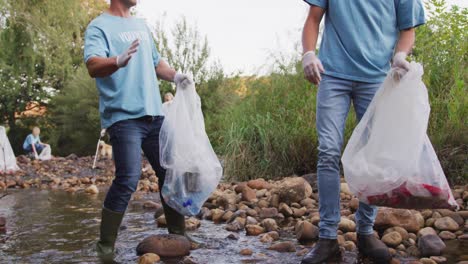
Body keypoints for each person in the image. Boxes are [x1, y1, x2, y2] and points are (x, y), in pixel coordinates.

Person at [300, 1, 425, 263]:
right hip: (332, 76)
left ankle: (366, 232)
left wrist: (400, 56)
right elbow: (313, 18)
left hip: (377, 77)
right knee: (328, 151)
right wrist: (308, 53)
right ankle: (327, 238)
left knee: (373, 154)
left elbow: (408, 29)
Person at [83, 0, 195, 259]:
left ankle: (179, 235)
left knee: (169, 172)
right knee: (128, 179)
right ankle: (105, 246)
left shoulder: (141, 25)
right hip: (123, 117)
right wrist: (117, 61)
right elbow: (93, 65)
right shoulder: (98, 26)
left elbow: (157, 64)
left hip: (154, 115)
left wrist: (177, 76)